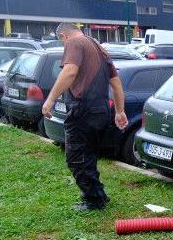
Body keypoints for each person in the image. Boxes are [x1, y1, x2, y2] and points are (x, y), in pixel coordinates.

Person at [42, 23, 127, 211]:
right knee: (88, 155)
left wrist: (50, 99)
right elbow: (116, 84)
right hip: (100, 111)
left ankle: (94, 200)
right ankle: (99, 195)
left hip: (83, 109)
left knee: (76, 157)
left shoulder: (74, 43)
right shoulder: (99, 47)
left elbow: (70, 72)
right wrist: (119, 111)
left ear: (64, 36)